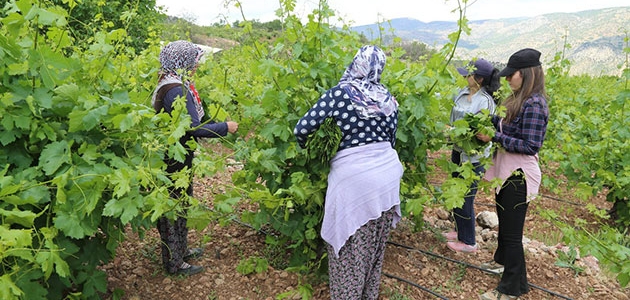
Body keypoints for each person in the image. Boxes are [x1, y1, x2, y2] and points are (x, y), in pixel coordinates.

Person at [293, 45, 403, 299]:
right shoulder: (389, 100)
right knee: (374, 252)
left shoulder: (340, 94)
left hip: (356, 183)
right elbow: (391, 140)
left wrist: (315, 151)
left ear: (357, 64)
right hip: (387, 179)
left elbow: (303, 128)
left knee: (349, 255)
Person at [151, 40, 239, 276]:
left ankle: (181, 251)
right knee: (173, 206)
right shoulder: (176, 90)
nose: (196, 65)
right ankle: (174, 263)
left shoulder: (171, 83)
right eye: (193, 60)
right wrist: (225, 127)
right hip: (173, 159)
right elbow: (193, 128)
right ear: (182, 62)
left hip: (176, 155)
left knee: (181, 202)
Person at [476, 48, 549, 300]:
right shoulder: (518, 98)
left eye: (511, 75)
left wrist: (494, 136)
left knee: (512, 232)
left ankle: (512, 287)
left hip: (519, 175)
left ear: (526, 74)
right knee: (505, 222)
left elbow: (531, 145)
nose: (507, 79)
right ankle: (502, 261)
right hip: (506, 171)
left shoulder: (535, 104)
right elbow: (507, 129)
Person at [443, 58, 499, 253]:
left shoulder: (486, 101)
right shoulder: (462, 94)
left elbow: (481, 131)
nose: (465, 76)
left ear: (480, 79)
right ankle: (459, 230)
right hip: (458, 151)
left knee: (466, 197)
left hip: (473, 157)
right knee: (455, 192)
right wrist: (451, 130)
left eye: (469, 74)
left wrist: (458, 131)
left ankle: (468, 242)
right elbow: (452, 120)